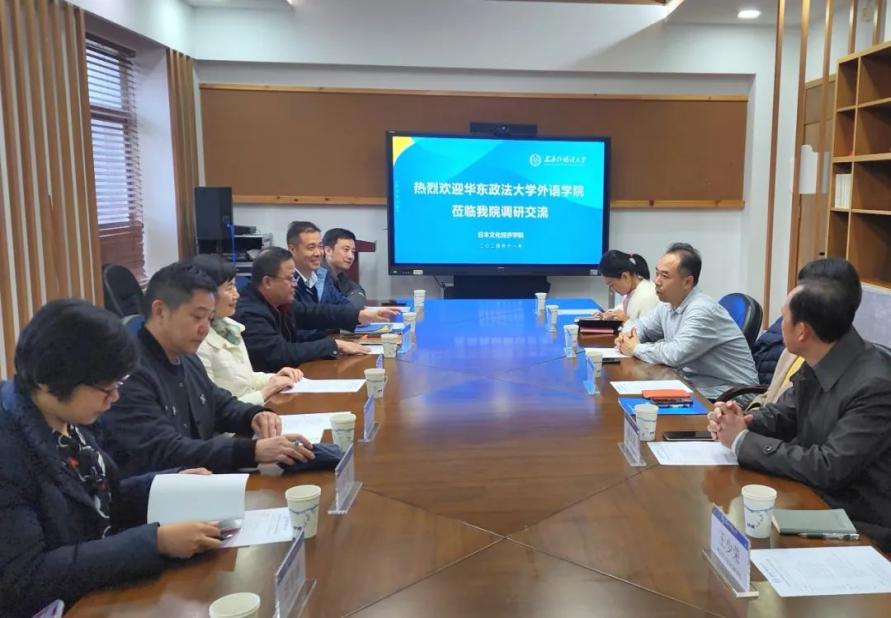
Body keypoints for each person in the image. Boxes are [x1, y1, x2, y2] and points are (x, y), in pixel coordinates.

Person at [0, 300, 222, 617]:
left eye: (118, 384)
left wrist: (166, 485)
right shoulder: (9, 450)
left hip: (100, 591)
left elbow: (100, 501)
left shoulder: (67, 419)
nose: (114, 398)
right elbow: (24, 577)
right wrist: (155, 542)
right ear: (50, 380)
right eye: (106, 388)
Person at [708, 274, 891, 550]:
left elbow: (829, 467)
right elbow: (786, 414)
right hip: (810, 496)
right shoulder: (824, 355)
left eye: (783, 317)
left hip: (856, 521)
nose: (779, 324)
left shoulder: (874, 385)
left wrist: (743, 441)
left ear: (803, 331)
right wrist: (740, 421)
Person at [95, 263, 314, 477]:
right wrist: (251, 451)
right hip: (161, 492)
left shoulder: (187, 357)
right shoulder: (128, 374)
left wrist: (254, 415)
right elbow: (165, 449)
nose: (205, 329)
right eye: (197, 317)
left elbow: (219, 404)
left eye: (209, 319)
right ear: (160, 311)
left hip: (201, 480)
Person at [615, 243, 757, 399]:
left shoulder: (702, 311)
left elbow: (675, 354)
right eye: (657, 273)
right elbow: (643, 326)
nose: (657, 281)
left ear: (687, 282)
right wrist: (626, 337)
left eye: (665, 276)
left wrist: (635, 348)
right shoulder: (667, 304)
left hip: (729, 393)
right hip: (695, 385)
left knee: (642, 403)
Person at [235, 247, 397, 372]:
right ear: (267, 282)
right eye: (290, 278)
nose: (295, 284)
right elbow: (279, 353)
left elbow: (315, 313)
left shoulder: (279, 302)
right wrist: (333, 345)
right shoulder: (249, 313)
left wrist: (360, 315)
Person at [746, 258, 863, 410]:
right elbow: (770, 395)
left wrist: (748, 424)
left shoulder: (833, 367)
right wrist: (746, 418)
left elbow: (791, 416)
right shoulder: (793, 348)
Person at [192, 255, 303, 405]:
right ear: (206, 294)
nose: (236, 294)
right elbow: (212, 408)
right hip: (238, 416)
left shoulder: (230, 327)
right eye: (229, 288)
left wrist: (274, 378)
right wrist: (264, 393)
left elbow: (244, 379)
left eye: (235, 286)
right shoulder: (196, 342)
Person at [288, 221, 353, 307]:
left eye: (320, 246)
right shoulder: (287, 282)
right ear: (292, 249)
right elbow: (305, 313)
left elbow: (345, 305)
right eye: (311, 247)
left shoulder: (322, 275)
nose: (318, 253)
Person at [593, 250, 659, 322]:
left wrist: (626, 321)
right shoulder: (633, 291)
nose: (612, 290)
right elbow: (624, 308)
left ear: (625, 276)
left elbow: (644, 329)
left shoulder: (648, 296)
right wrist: (609, 314)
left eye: (612, 284)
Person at [322, 227, 367, 308]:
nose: (351, 256)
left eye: (353, 251)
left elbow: (358, 291)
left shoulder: (340, 275)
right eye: (346, 250)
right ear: (328, 251)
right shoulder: (318, 277)